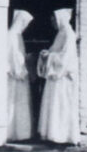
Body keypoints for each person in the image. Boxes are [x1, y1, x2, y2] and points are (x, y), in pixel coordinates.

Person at [37, 8, 79, 144]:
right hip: (56, 77)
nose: (52, 22)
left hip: (62, 77)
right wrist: (47, 53)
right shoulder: (61, 33)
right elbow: (56, 51)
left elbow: (65, 58)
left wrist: (49, 56)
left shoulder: (67, 33)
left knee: (60, 106)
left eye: (54, 19)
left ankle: (61, 135)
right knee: (55, 105)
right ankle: (53, 134)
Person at [7, 10, 34, 142]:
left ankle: (21, 133)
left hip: (20, 74)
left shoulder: (17, 35)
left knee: (20, 105)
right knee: (14, 104)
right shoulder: (12, 35)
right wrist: (20, 70)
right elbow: (13, 57)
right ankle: (12, 133)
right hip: (15, 76)